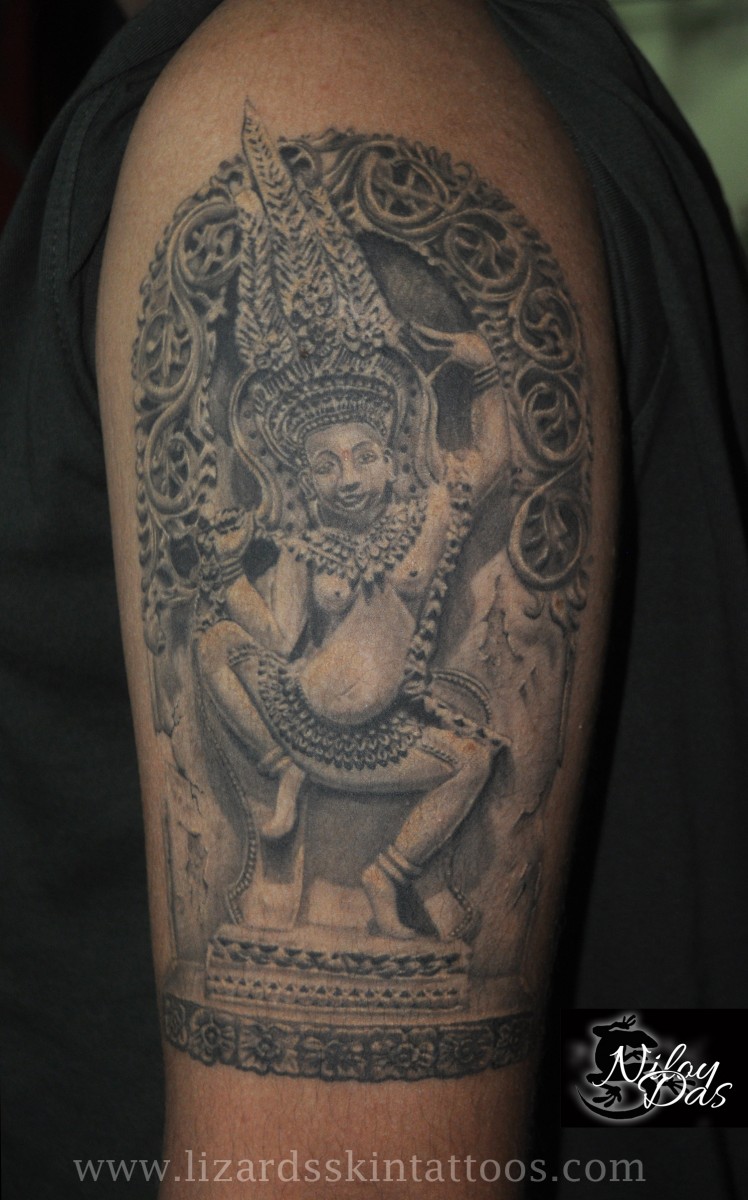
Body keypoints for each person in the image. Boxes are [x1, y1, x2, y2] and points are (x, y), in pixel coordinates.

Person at [1, 1, 746, 1197]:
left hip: (385, 738)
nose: (350, 475)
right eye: (329, 461)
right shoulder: (528, 74)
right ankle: (285, 812)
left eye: (364, 454)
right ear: (299, 470)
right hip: (307, 725)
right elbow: (266, 636)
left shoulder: (330, 59)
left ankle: (393, 877)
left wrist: (468, 399)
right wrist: (253, 617)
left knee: (467, 759)